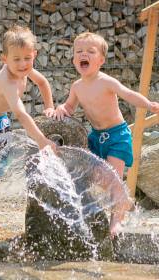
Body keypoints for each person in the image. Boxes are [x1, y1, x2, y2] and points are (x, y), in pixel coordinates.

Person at [55, 32, 159, 236]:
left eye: (90, 51)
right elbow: (69, 107)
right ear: (74, 59)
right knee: (95, 176)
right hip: (96, 136)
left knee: (115, 178)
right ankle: (122, 200)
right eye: (79, 51)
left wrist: (149, 104)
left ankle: (116, 220)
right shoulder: (77, 87)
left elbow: (128, 94)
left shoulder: (106, 81)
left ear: (101, 60)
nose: (83, 54)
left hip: (117, 136)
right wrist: (59, 109)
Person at [0, 25, 56, 240]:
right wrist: (42, 140)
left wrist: (49, 107)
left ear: (34, 54)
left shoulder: (25, 69)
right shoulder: (6, 80)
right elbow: (22, 114)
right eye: (16, 59)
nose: (23, 64)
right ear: (4, 59)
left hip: (1, 123)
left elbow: (43, 83)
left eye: (28, 58)